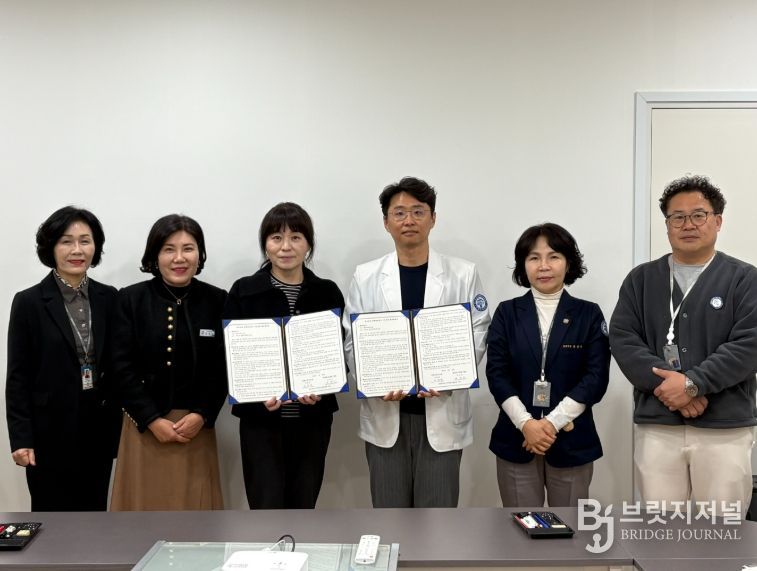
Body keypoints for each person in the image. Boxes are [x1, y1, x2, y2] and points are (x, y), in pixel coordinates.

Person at [610, 175, 757, 513]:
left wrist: (693, 384)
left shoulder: (744, 279)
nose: (688, 224)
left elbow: (749, 344)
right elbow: (624, 339)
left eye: (698, 215)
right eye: (677, 217)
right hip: (659, 425)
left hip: (724, 427)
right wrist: (671, 388)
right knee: (661, 526)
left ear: (717, 221)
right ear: (667, 225)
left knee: (722, 529)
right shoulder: (641, 280)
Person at [344, 176, 490, 508]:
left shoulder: (463, 273)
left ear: (433, 218)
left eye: (418, 211)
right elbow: (352, 338)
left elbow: (478, 330)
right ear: (386, 222)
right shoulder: (365, 276)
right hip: (385, 412)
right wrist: (373, 381)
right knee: (389, 517)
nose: (408, 220)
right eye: (399, 213)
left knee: (438, 520)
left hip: (442, 410)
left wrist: (449, 376)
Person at [223, 202, 344, 509]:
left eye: (296, 237)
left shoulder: (327, 292)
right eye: (276, 237)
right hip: (260, 423)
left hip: (313, 422)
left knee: (304, 504)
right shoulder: (244, 291)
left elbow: (339, 353)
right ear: (265, 244)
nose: (286, 247)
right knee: (266, 507)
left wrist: (322, 387)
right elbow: (232, 359)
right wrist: (257, 395)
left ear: (308, 244)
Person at [5, 206, 121, 511]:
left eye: (85, 241)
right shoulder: (29, 302)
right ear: (51, 247)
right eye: (66, 241)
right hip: (48, 433)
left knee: (96, 515)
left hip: (98, 430)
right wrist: (21, 438)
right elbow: (18, 376)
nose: (77, 250)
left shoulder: (110, 297)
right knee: (52, 519)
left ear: (96, 247)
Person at [486, 223, 610, 507]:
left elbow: (595, 378)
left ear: (568, 263)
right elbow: (497, 374)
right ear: (523, 265)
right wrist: (526, 424)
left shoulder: (588, 314)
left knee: (570, 527)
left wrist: (551, 424)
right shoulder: (507, 312)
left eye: (553, 256)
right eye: (534, 257)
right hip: (516, 438)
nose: (543, 266)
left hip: (571, 440)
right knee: (521, 526)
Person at [110, 214, 227, 510]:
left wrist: (202, 414)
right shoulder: (131, 299)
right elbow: (120, 367)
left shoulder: (217, 300)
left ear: (200, 254)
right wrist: (151, 419)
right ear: (155, 255)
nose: (179, 258)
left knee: (196, 517)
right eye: (168, 249)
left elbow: (222, 367)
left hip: (196, 429)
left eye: (188, 248)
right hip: (144, 427)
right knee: (141, 516)